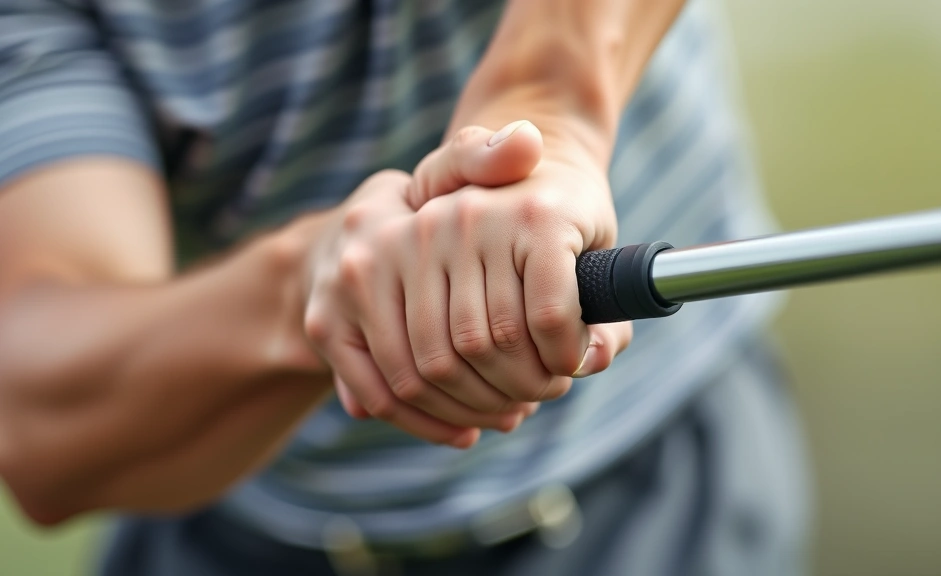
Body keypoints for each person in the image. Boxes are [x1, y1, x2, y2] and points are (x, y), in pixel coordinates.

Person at [0, 0, 808, 574]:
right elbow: (44, 423)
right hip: (243, 532)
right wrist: (313, 285)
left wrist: (541, 115)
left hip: (650, 481)